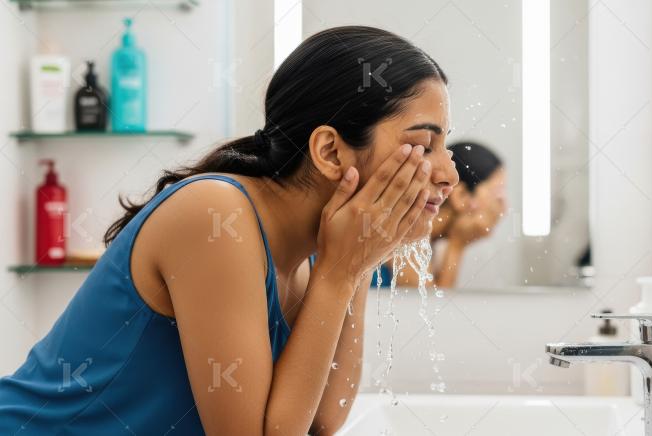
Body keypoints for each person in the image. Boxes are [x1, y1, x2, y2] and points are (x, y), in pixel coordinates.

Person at [0, 26, 457, 436]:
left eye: (445, 147)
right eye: (422, 145)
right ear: (330, 152)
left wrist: (355, 265)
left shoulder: (319, 252)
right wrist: (340, 275)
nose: (449, 175)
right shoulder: (217, 216)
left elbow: (323, 421)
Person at [373, 141, 505, 289]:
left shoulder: (429, 240)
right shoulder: (409, 232)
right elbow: (430, 303)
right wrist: (456, 246)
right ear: (461, 196)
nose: (503, 207)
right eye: (497, 193)